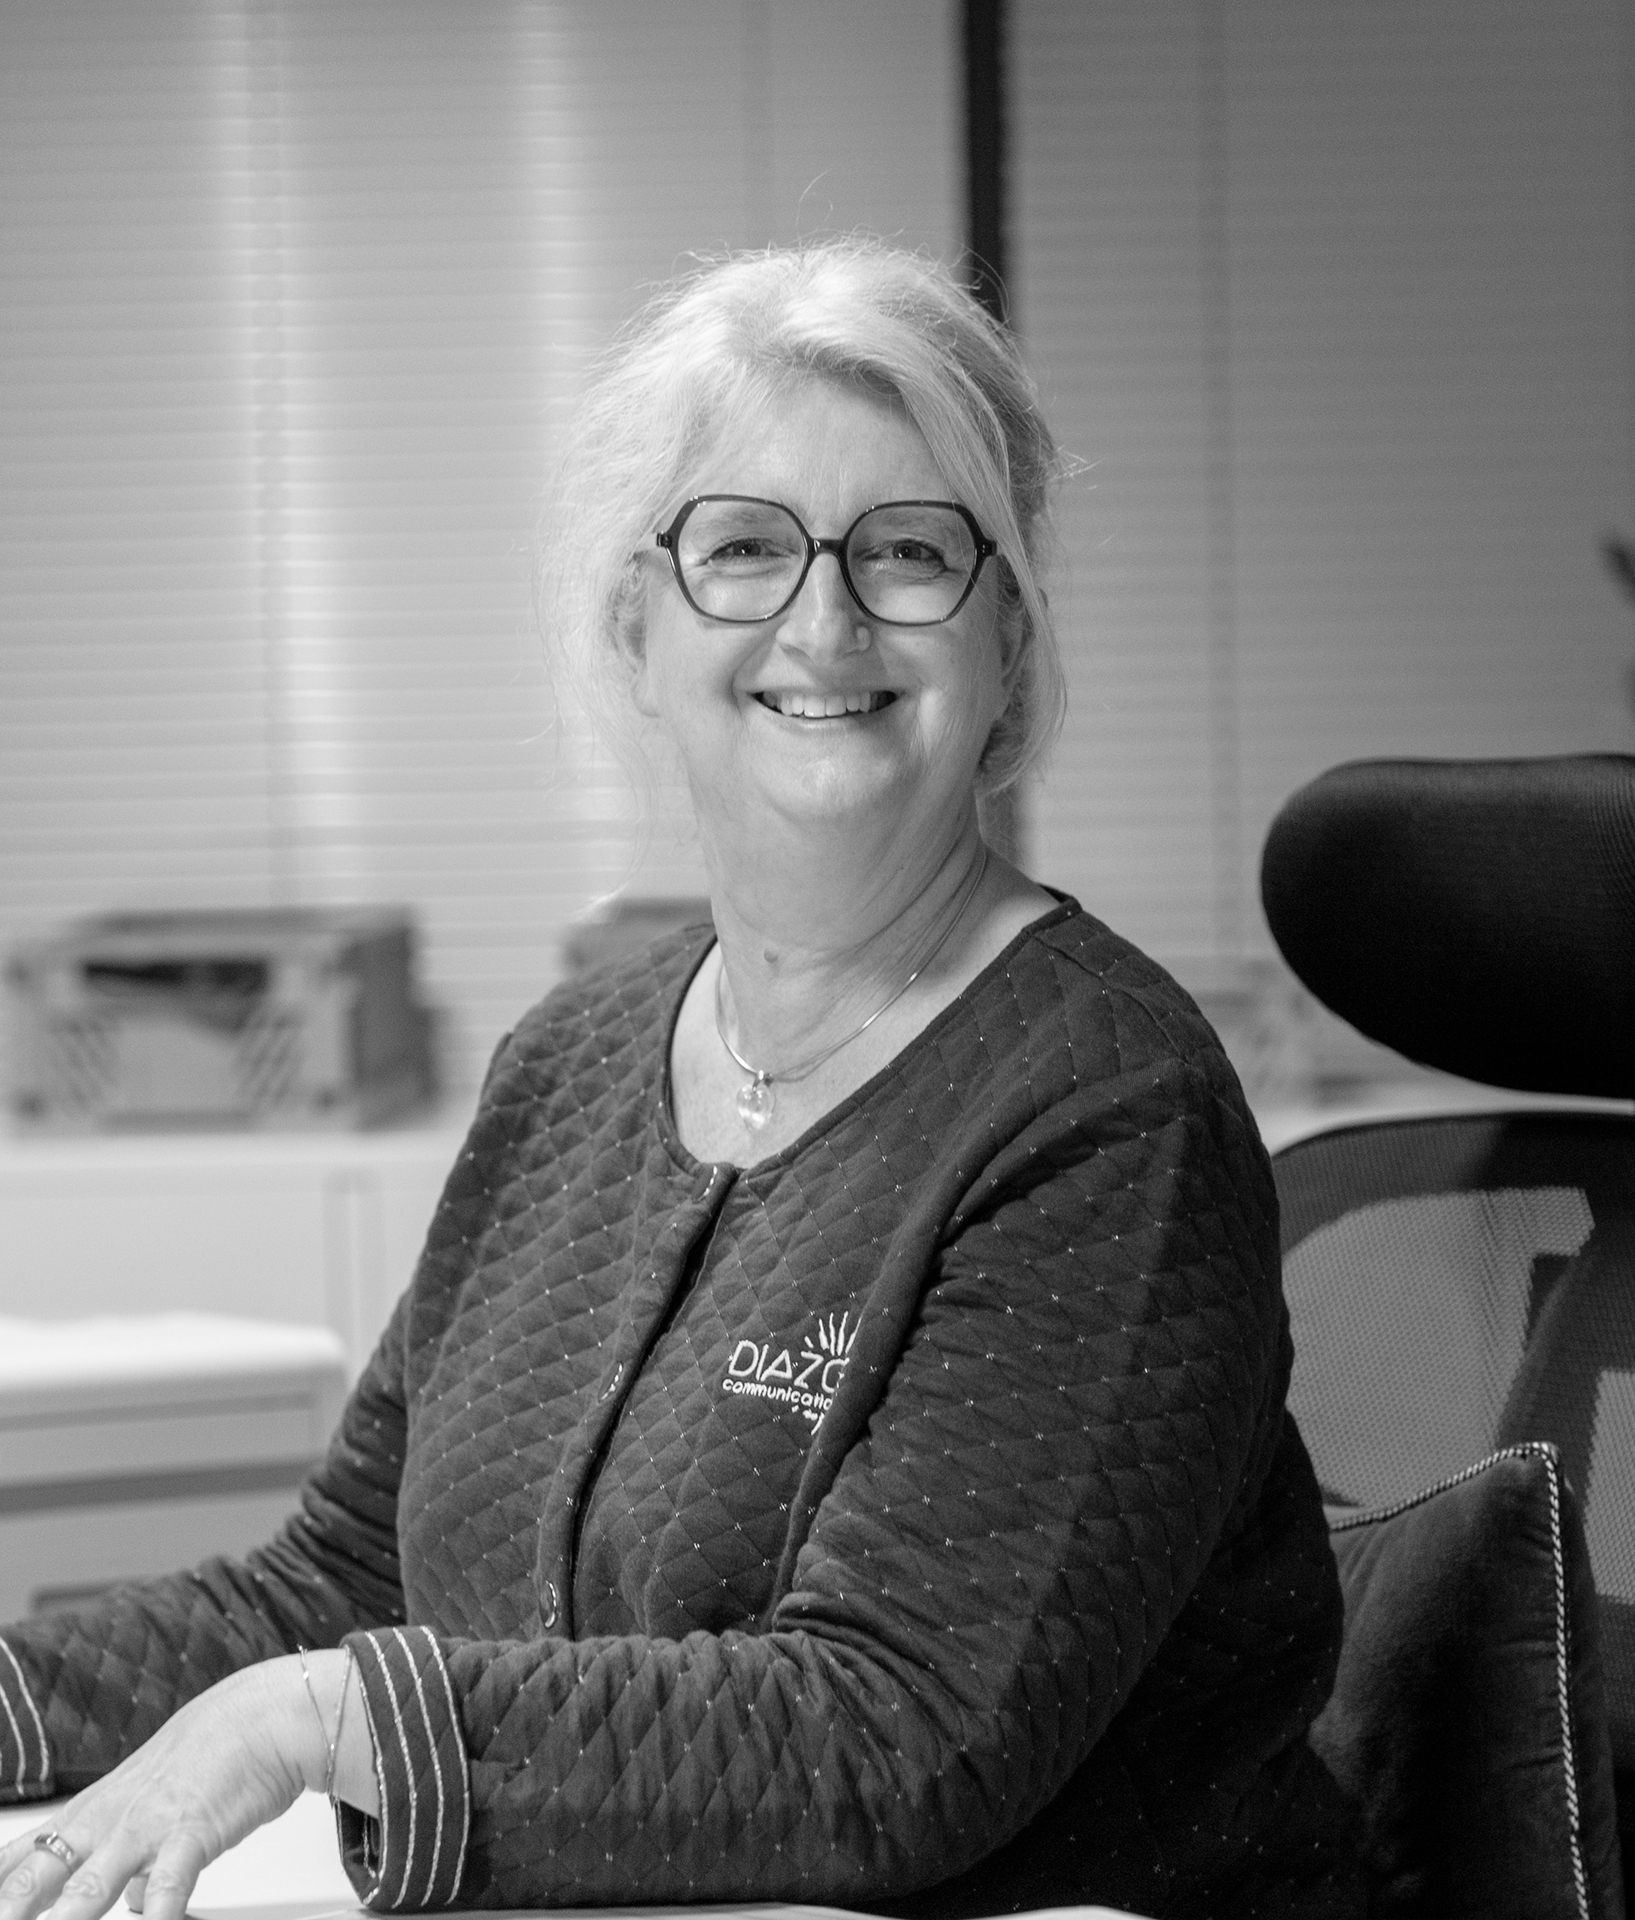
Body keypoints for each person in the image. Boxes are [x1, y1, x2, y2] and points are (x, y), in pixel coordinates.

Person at [0, 240, 1361, 1920]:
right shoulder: (571, 1065)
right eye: (743, 548)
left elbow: (896, 1735)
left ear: (1008, 638)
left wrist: (324, 1721)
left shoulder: (1105, 1105)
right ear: (636, 628)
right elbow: (345, 1575)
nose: (825, 620)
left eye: (911, 551)